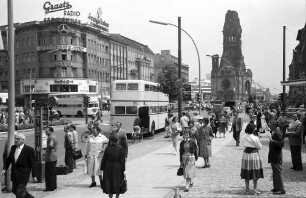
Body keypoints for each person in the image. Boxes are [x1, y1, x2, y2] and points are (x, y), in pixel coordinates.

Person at [1, 133, 37, 198]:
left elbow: (33, 163)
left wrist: (34, 175)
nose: (15, 140)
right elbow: (9, 160)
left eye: (18, 139)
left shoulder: (29, 150)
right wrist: (4, 169)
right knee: (14, 190)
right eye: (15, 138)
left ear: (23, 140)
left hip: (23, 175)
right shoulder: (13, 147)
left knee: (19, 194)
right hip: (14, 175)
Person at [240, 121, 263, 195]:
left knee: (247, 171)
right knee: (254, 171)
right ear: (253, 129)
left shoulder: (243, 136)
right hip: (254, 155)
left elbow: (243, 145)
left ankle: (247, 189)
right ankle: (255, 189)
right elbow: (259, 147)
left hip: (246, 154)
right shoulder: (255, 138)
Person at [101, 133, 126, 198]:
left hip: (108, 167)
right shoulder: (121, 148)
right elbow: (122, 161)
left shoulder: (107, 148)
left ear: (111, 141)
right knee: (117, 182)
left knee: (109, 182)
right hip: (117, 167)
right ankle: (117, 197)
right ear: (117, 141)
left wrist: (102, 168)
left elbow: (104, 158)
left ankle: (110, 197)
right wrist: (123, 170)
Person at [267, 127, 286, 195]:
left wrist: (272, 141)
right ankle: (276, 187)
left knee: (277, 173)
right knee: (275, 173)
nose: (269, 125)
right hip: (274, 156)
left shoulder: (277, 132)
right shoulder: (275, 131)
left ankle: (281, 189)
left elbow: (281, 144)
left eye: (271, 123)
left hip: (276, 157)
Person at [45, 127, 58, 191]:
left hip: (50, 156)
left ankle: (50, 187)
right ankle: (54, 185)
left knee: (49, 173)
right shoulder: (54, 136)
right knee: (53, 172)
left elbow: (50, 145)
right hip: (54, 155)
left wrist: (48, 148)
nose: (45, 132)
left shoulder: (51, 137)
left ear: (50, 131)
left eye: (47, 131)